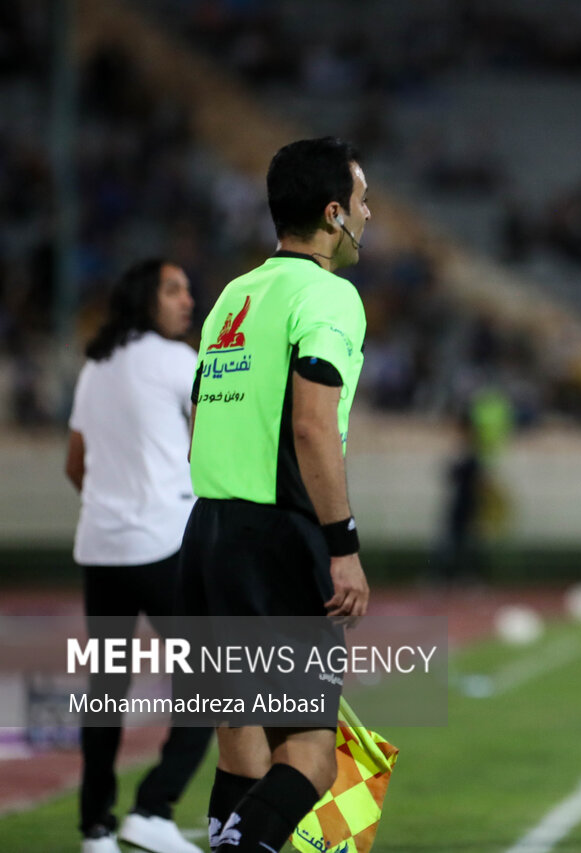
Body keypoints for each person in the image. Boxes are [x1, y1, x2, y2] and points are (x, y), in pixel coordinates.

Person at [179, 137, 371, 853]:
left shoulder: (235, 293)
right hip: (275, 541)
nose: (369, 213)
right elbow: (314, 428)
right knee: (312, 754)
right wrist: (342, 546)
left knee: (242, 742)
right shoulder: (329, 296)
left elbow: (203, 417)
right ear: (332, 214)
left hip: (206, 535)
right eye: (360, 201)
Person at [66, 259, 212, 853]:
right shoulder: (181, 361)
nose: (188, 299)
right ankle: (153, 809)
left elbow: (75, 465)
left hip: (100, 547)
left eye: (186, 288)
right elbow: (211, 448)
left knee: (106, 690)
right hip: (163, 544)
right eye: (173, 290)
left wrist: (114, 505)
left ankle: (95, 828)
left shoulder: (94, 366)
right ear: (143, 300)